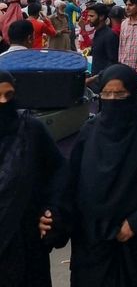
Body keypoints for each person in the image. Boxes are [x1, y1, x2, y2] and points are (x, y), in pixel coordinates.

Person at [64, 65, 137, 286]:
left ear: (132, 94)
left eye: (120, 94)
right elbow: (71, 180)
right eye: (107, 94)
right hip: (92, 238)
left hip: (133, 239)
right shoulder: (90, 131)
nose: (113, 99)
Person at [0, 70, 68, 287]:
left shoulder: (30, 129)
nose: (3, 102)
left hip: (26, 241)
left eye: (9, 96)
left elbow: (58, 173)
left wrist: (52, 211)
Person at [85, 3, 119, 88]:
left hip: (104, 82)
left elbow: (113, 62)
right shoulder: (97, 32)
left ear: (101, 17)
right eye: (88, 16)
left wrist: (93, 78)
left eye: (91, 16)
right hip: (95, 80)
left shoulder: (109, 35)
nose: (88, 19)